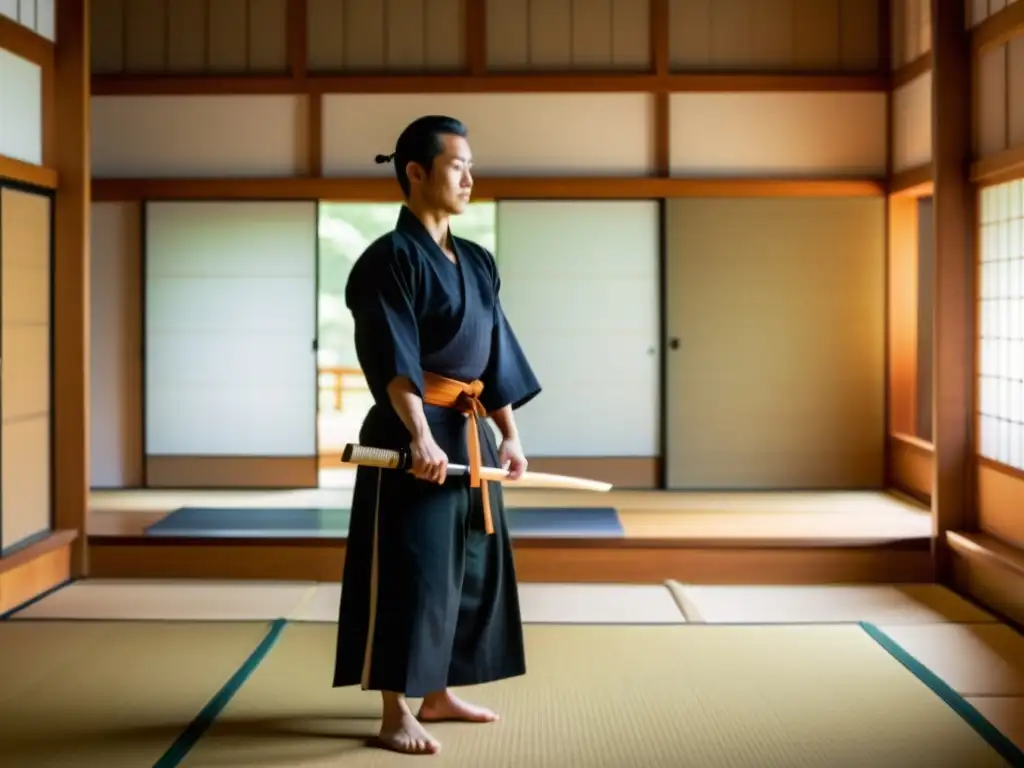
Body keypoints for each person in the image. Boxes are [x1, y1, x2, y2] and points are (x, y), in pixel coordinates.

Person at [332, 115, 542, 756]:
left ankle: (438, 691)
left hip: (471, 434)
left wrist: (509, 434)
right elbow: (391, 355)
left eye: (472, 165)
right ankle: (396, 710)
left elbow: (496, 355)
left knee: (469, 569)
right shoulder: (387, 261)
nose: (470, 177)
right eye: (458, 165)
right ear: (416, 172)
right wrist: (419, 435)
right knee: (412, 570)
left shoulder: (477, 261)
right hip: (412, 437)